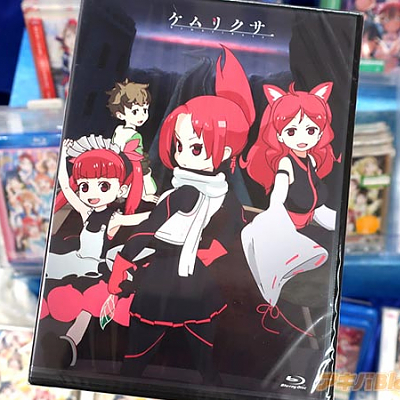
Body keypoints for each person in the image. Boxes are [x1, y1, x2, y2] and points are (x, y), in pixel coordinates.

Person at [107, 47, 255, 383]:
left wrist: (122, 264)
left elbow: (149, 230)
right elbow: (233, 225)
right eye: (179, 145)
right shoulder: (221, 191)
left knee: (137, 356)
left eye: (196, 147)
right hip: (195, 275)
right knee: (204, 359)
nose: (183, 154)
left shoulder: (186, 191)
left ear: (225, 150)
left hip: (166, 274)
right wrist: (211, 251)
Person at [41, 134, 150, 366]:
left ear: (121, 189)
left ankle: (69, 343)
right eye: (85, 186)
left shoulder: (114, 218)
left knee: (87, 307)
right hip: (77, 260)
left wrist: (169, 206)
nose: (92, 194)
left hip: (94, 269)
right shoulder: (86, 212)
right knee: (55, 291)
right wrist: (62, 157)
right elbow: (66, 187)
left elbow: (144, 218)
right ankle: (52, 340)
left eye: (103, 186)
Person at [241, 82, 338, 311]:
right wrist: (275, 219)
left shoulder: (311, 160)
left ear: (321, 131)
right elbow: (278, 196)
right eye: (292, 131)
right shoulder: (286, 163)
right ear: (280, 135)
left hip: (312, 224)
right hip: (288, 228)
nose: (302, 137)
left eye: (311, 130)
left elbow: (319, 206)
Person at [107, 80, 158, 203]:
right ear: (120, 115)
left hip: (116, 170)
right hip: (130, 172)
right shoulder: (135, 135)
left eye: (145, 110)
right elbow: (137, 162)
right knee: (151, 188)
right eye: (135, 111)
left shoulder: (119, 129)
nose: (142, 115)